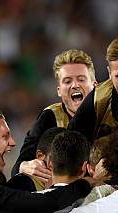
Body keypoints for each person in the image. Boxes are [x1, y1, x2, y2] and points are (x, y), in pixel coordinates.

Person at [12, 49, 98, 181]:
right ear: (59, 90)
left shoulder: (109, 112)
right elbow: (19, 165)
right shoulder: (49, 117)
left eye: (81, 79)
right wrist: (23, 166)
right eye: (67, 81)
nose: (75, 85)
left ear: (95, 85)